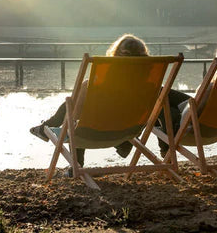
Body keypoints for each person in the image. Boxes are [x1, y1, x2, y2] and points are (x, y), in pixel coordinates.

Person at [30, 34, 150, 170]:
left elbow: (77, 114)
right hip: (128, 132)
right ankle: (46, 127)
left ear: (116, 54)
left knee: (74, 105)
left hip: (93, 132)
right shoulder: (150, 85)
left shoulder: (102, 82)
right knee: (78, 104)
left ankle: (75, 163)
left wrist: (70, 124)